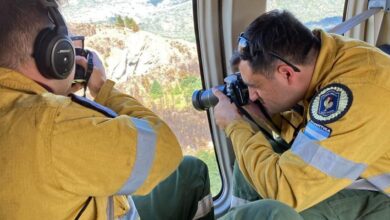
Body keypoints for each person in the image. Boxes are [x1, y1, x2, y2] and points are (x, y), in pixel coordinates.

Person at [0, 0, 213, 219]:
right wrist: (102, 88)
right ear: (55, 55)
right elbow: (165, 150)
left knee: (188, 169)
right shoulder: (51, 124)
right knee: (194, 174)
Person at [213, 9, 390, 219]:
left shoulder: (356, 93)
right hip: (359, 166)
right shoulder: (323, 58)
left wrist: (235, 125)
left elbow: (286, 192)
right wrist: (264, 113)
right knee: (250, 164)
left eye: (255, 86)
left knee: (282, 214)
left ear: (286, 73)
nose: (251, 96)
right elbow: (306, 132)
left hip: (380, 188)